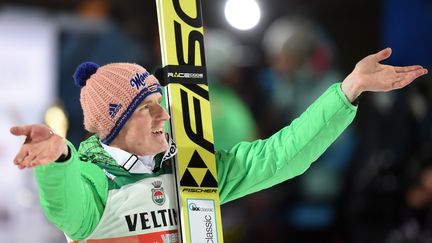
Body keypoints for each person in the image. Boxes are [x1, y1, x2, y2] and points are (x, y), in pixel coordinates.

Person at [10, 48, 427, 242]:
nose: (164, 116)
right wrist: (59, 160)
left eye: (161, 104)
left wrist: (349, 89)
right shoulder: (92, 179)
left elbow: (281, 156)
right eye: (146, 109)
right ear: (115, 124)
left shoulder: (190, 169)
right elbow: (69, 211)